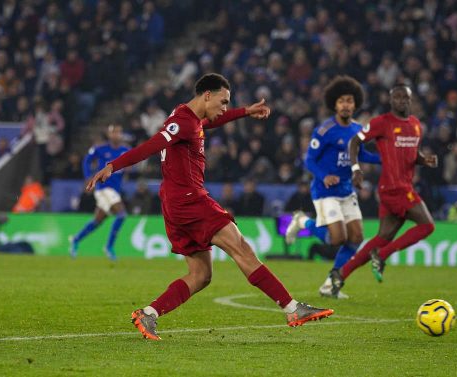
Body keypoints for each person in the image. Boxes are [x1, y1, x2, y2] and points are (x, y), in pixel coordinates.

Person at [85, 73, 333, 340]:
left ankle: (149, 314)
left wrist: (244, 112)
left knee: (201, 274)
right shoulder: (182, 121)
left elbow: (210, 122)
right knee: (242, 249)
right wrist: (113, 166)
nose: (224, 108)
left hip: (174, 202)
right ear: (207, 95)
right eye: (223, 101)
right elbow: (151, 145)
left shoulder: (189, 119)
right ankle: (292, 308)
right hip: (190, 199)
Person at [330, 84, 438, 297]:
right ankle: (382, 255)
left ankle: (341, 273)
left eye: (405, 97)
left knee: (383, 236)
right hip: (394, 188)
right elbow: (354, 141)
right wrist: (356, 168)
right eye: (397, 97)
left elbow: (411, 152)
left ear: (411, 99)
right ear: (391, 101)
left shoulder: (416, 125)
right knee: (427, 226)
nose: (401, 101)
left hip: (399, 188)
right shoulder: (382, 123)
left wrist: (424, 160)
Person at [284, 75, 380, 298]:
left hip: (347, 190)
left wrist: (388, 159)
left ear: (355, 103)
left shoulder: (358, 129)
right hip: (325, 191)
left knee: (356, 238)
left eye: (349, 100)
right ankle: (302, 221)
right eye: (341, 101)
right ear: (334, 105)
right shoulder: (325, 130)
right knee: (336, 239)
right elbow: (309, 159)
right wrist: (324, 175)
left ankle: (331, 283)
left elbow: (363, 154)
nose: (346, 105)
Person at [69, 124, 130, 261]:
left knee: (98, 220)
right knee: (121, 214)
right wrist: (87, 176)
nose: (116, 134)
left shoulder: (125, 150)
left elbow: (130, 164)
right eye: (113, 132)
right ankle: (108, 247)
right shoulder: (100, 149)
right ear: (109, 135)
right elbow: (87, 160)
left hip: (115, 190)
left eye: (119, 132)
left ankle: (75, 239)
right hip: (103, 189)